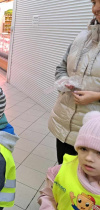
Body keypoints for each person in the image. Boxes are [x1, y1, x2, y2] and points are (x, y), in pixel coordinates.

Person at [48, 0, 100, 165]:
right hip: (64, 127)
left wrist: (97, 96)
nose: (96, 8)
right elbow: (61, 67)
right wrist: (64, 81)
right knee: (64, 179)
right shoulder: (82, 37)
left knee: (86, 189)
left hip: (94, 136)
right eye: (94, 2)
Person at [39, 111, 100, 209]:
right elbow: (49, 195)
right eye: (83, 149)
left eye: (99, 153)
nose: (88, 158)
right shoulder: (61, 171)